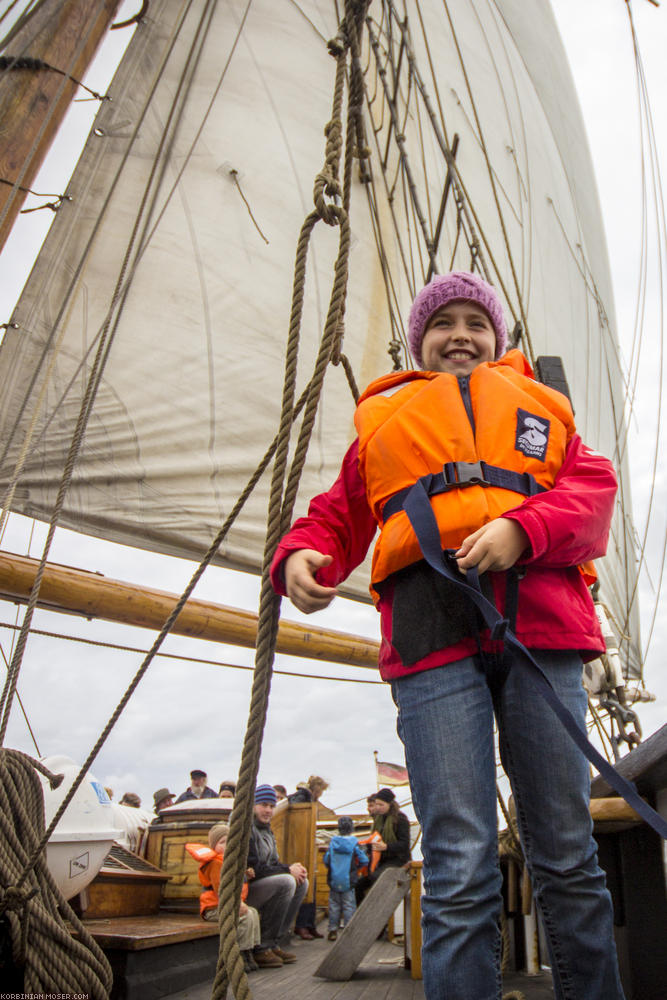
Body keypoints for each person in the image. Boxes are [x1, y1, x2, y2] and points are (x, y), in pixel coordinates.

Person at [270, 271, 625, 999]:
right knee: (458, 858)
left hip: (540, 635)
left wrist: (521, 528)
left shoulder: (544, 410)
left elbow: (591, 499)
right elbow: (337, 516)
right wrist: (300, 556)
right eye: (442, 323)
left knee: (565, 852)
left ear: (498, 340)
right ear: (417, 341)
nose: (459, 334)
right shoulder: (383, 423)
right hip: (430, 637)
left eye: (475, 322)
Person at [246, 784, 309, 968]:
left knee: (301, 882)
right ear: (253, 805)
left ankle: (273, 943)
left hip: (260, 885)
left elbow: (272, 864)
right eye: (263, 805)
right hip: (245, 889)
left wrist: (292, 867)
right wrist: (288, 871)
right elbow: (254, 868)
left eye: (272, 806)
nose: (268, 810)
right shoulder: (246, 828)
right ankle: (261, 948)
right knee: (287, 882)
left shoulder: (266, 829)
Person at [185, 823, 261, 974]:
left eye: (230, 840)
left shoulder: (232, 861)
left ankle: (249, 950)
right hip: (214, 909)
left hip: (228, 905)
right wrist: (238, 904)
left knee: (253, 913)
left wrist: (247, 875)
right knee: (244, 916)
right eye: (222, 842)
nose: (228, 845)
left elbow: (236, 882)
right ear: (214, 846)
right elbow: (223, 889)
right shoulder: (216, 864)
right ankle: (238, 953)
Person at [354, 788, 411, 904]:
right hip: (381, 860)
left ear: (390, 804)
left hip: (398, 859)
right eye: (377, 804)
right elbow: (373, 839)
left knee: (377, 878)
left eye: (381, 804)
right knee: (358, 884)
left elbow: (404, 844)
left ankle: (381, 918)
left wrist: (386, 847)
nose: (378, 807)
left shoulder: (400, 819)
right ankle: (362, 915)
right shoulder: (378, 819)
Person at [289, 775, 329, 939]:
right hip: (300, 848)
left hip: (307, 846)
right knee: (307, 889)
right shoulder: (301, 798)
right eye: (320, 791)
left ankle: (309, 924)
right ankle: (301, 925)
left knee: (311, 889)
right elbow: (298, 821)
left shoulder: (308, 799)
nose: (320, 795)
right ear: (316, 788)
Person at [323, 816, 368, 940]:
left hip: (334, 880)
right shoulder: (354, 843)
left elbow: (326, 859)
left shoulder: (333, 842)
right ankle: (348, 933)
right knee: (349, 906)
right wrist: (357, 869)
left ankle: (332, 930)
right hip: (349, 880)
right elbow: (364, 860)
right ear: (352, 828)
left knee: (334, 905)